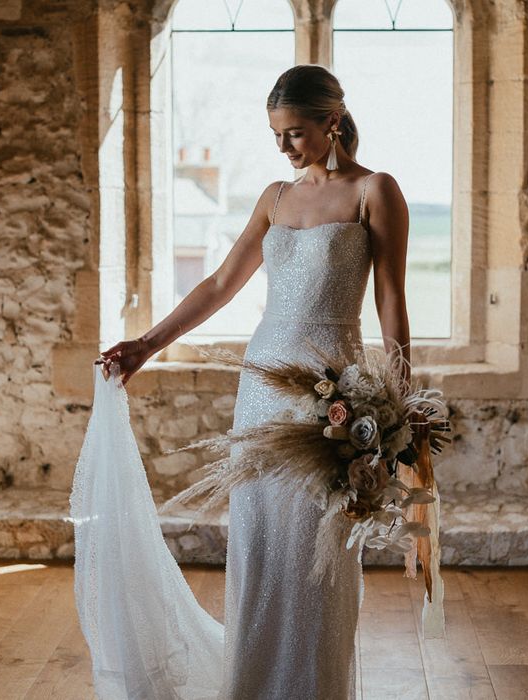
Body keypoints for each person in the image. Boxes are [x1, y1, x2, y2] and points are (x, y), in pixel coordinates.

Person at [95, 63, 411, 699]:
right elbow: (218, 285)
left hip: (334, 392)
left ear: (332, 120)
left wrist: (403, 404)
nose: (284, 147)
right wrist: (146, 346)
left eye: (294, 133)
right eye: (276, 134)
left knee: (320, 547)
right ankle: (253, 685)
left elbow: (390, 301)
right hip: (263, 388)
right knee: (262, 542)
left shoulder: (374, 190)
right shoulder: (275, 197)